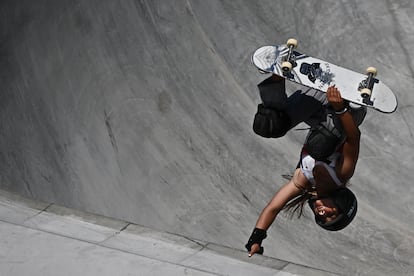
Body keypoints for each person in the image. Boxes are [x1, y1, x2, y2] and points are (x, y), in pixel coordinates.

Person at [246, 74, 366, 257]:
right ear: (340, 203)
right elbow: (354, 138)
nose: (321, 213)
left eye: (320, 218)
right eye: (329, 215)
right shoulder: (341, 174)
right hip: (346, 112)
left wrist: (256, 239)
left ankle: (279, 73)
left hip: (317, 106)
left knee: (268, 125)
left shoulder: (301, 181)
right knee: (319, 147)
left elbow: (273, 207)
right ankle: (354, 103)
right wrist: (341, 109)